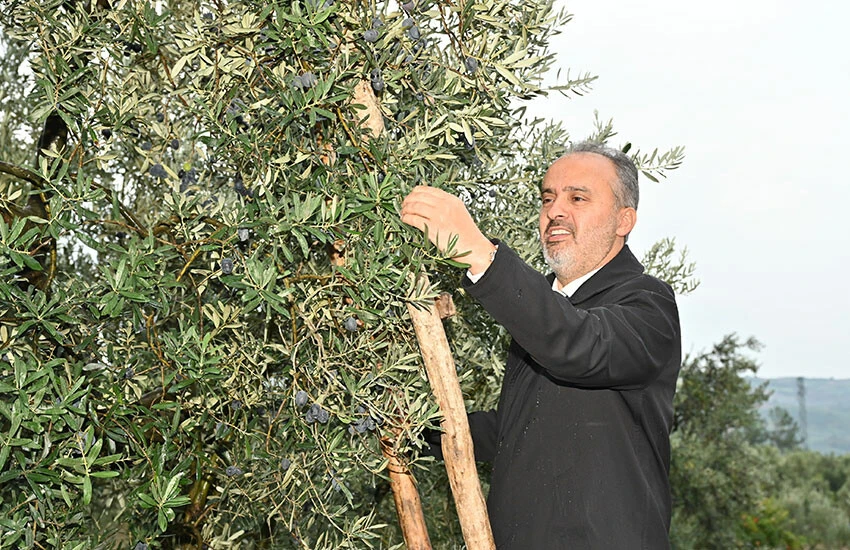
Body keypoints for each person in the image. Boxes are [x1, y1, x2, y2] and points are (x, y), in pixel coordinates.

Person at [400, 141, 681, 549]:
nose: (556, 210)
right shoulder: (546, 310)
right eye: (547, 197)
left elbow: (579, 345)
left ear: (625, 220)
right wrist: (415, 428)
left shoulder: (648, 305)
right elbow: (516, 431)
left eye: (578, 197)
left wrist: (479, 252)